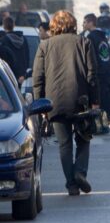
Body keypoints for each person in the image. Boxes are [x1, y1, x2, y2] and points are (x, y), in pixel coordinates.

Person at [32, 10, 99, 195]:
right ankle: (80, 172)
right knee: (84, 139)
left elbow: (38, 78)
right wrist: (95, 101)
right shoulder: (84, 42)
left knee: (64, 144)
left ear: (54, 26)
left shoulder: (44, 46)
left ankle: (71, 184)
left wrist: (40, 104)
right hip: (81, 101)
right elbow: (92, 75)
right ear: (73, 24)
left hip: (55, 103)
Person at [81, 13, 110, 135]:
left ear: (91, 22)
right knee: (108, 99)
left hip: (98, 74)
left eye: (85, 22)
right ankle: (109, 123)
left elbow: (90, 57)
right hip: (107, 73)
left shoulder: (91, 37)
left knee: (100, 100)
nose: (83, 25)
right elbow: (107, 55)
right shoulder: (102, 37)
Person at [0, 16, 28, 84]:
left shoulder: (4, 41)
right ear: (14, 25)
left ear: (3, 26)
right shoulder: (23, 39)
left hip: (7, 74)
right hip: (20, 76)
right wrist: (24, 74)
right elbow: (27, 57)